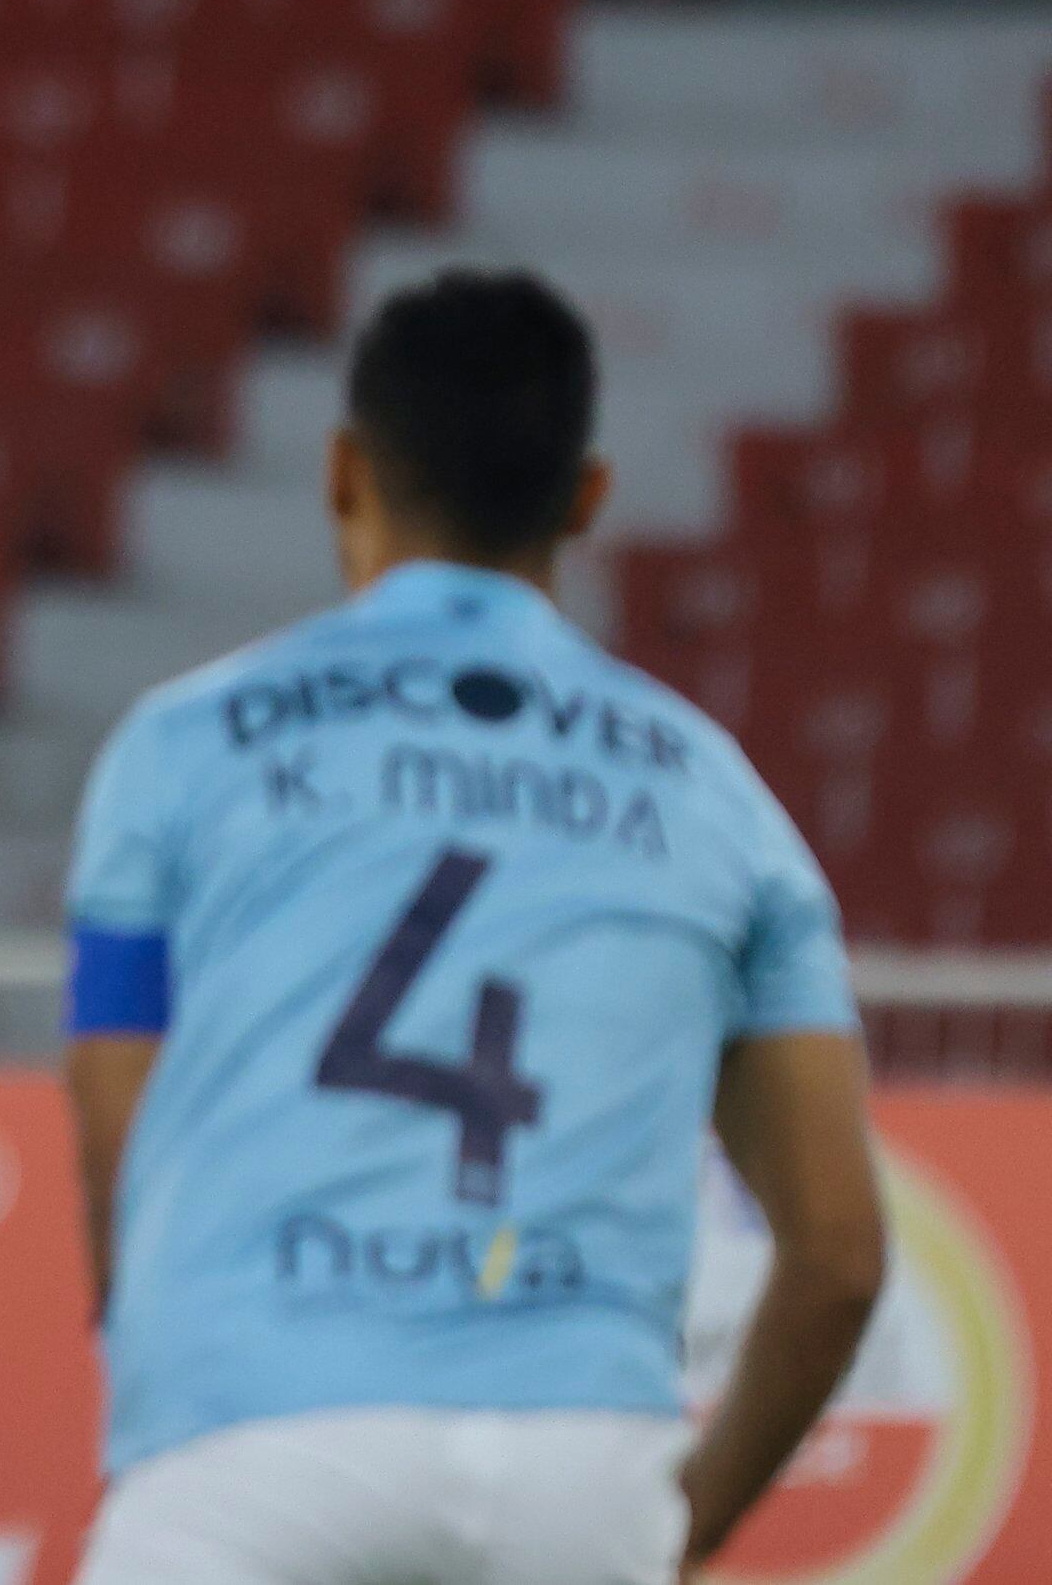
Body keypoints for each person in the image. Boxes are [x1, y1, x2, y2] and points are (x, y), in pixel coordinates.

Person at [63, 268, 888, 1585]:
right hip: (578, 1461)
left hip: (254, 1439)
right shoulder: (716, 793)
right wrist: (678, 1526)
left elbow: (123, 1136)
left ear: (342, 471)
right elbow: (839, 1255)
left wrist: (172, 1389)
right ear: (588, 497)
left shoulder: (182, 744)